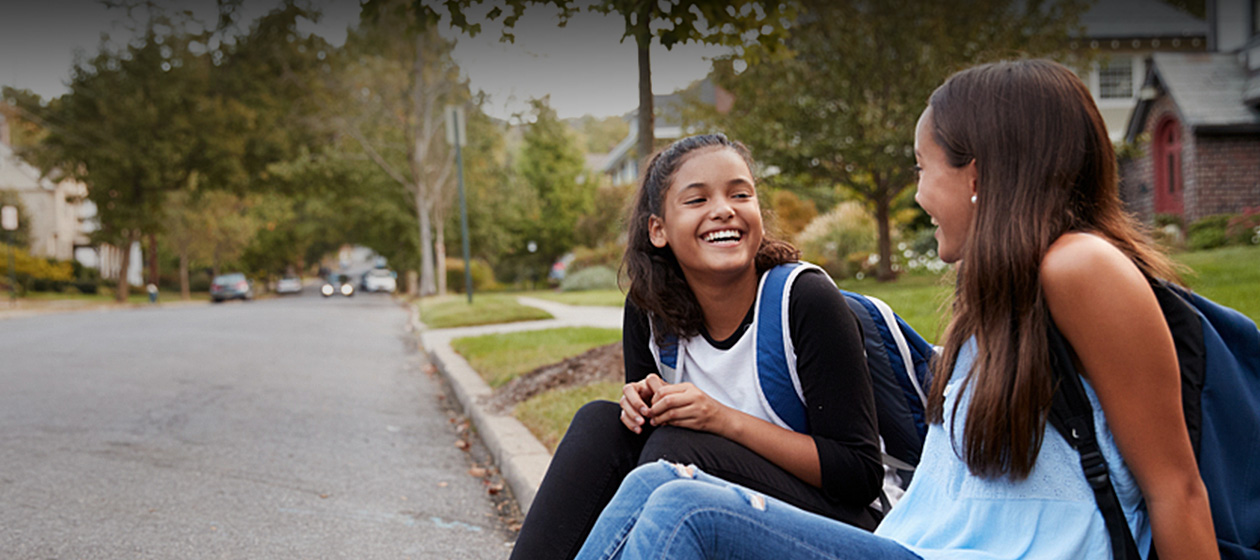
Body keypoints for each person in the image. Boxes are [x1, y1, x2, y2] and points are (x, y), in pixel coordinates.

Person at [571, 59, 1218, 560]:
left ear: (978, 175)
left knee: (684, 507)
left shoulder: (1080, 267)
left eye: (923, 167)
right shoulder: (993, 301)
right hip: (920, 546)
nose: (917, 193)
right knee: (656, 486)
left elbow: (1176, 488)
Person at [509, 133, 884, 560]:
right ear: (658, 230)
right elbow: (640, 450)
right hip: (702, 510)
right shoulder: (649, 312)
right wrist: (639, 406)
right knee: (602, 423)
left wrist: (721, 419)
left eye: (740, 194)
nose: (724, 210)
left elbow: (859, 475)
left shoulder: (803, 301)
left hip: (833, 527)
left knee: (677, 449)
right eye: (697, 200)